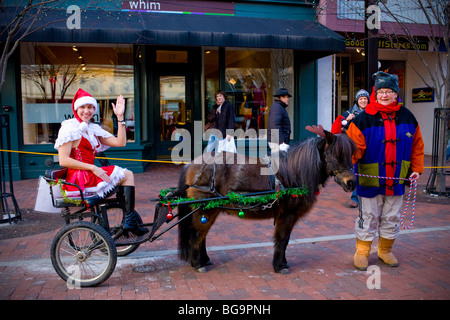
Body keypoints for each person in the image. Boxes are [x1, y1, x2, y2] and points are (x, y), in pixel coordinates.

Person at [346, 72, 424, 271]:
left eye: (389, 91)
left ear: (396, 94)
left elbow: (417, 145)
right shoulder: (363, 119)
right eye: (381, 91)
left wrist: (416, 169)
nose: (384, 95)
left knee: (392, 216)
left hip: (397, 178)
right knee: (368, 216)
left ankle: (385, 250)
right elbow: (351, 148)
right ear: (375, 93)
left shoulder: (407, 116)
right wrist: (346, 166)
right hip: (369, 177)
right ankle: (362, 251)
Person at [54, 88, 148, 236]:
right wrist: (93, 168)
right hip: (80, 179)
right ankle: (129, 220)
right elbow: (63, 160)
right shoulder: (69, 128)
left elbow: (120, 142)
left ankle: (129, 219)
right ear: (76, 108)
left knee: (126, 175)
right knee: (127, 175)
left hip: (89, 173)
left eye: (90, 107)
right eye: (83, 107)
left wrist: (120, 117)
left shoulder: (92, 129)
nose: (87, 111)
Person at [332, 89, 370, 208]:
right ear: (357, 100)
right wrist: (346, 121)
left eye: (365, 99)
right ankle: (355, 198)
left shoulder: (372, 113)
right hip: (354, 147)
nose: (363, 101)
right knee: (356, 171)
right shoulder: (349, 113)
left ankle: (367, 196)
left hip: (369, 145)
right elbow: (337, 127)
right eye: (361, 99)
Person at [267, 88, 292, 153]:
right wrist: (281, 142)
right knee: (278, 162)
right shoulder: (277, 107)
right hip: (278, 142)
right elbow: (274, 125)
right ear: (281, 97)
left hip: (278, 141)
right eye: (286, 97)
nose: (288, 99)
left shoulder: (278, 107)